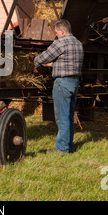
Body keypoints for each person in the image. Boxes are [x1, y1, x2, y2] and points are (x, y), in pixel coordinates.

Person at [34, 19, 84, 154]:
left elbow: (43, 57)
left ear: (62, 31)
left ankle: (61, 148)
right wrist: (53, 65)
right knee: (68, 116)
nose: (56, 35)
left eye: (56, 32)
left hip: (62, 83)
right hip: (74, 83)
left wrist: (35, 61)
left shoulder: (61, 42)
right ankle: (69, 146)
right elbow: (70, 63)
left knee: (62, 117)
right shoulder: (78, 43)